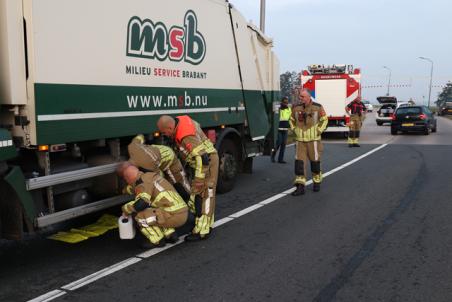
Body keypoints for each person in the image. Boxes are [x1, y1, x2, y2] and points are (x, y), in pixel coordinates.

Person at [157, 115, 219, 241]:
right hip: (202, 163)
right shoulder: (181, 120)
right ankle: (204, 223)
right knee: (202, 195)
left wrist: (199, 180)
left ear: (170, 127)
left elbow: (203, 157)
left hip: (207, 163)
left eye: (165, 132)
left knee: (206, 195)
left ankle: (203, 231)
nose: (165, 135)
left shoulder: (185, 135)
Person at [121, 165, 188, 249]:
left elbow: (141, 203)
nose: (126, 181)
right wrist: (123, 190)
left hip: (174, 216)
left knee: (140, 214)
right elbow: (134, 187)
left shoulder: (142, 184)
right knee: (156, 210)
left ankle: (157, 240)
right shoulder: (149, 176)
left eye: (126, 179)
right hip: (181, 212)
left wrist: (125, 209)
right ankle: (170, 235)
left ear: (129, 178)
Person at [125, 134, 191, 199]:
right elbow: (139, 138)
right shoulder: (132, 147)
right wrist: (142, 136)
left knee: (179, 183)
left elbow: (159, 178)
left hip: (168, 158)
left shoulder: (148, 165)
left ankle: (191, 199)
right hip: (158, 154)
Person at [289, 89, 328, 196]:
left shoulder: (318, 107)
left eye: (302, 96)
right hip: (300, 141)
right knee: (299, 164)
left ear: (308, 97)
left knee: (315, 162)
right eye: (300, 96)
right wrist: (294, 129)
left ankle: (316, 182)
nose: (300, 98)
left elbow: (324, 120)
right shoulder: (296, 108)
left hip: (313, 141)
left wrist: (319, 130)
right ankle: (300, 187)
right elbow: (291, 120)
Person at [271, 96, 292, 164]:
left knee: (283, 144)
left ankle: (280, 159)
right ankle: (273, 155)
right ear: (282, 102)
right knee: (278, 143)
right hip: (278, 128)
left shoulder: (289, 109)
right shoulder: (278, 108)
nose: (286, 103)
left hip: (285, 129)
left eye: (287, 102)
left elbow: (290, 118)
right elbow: (274, 108)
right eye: (284, 102)